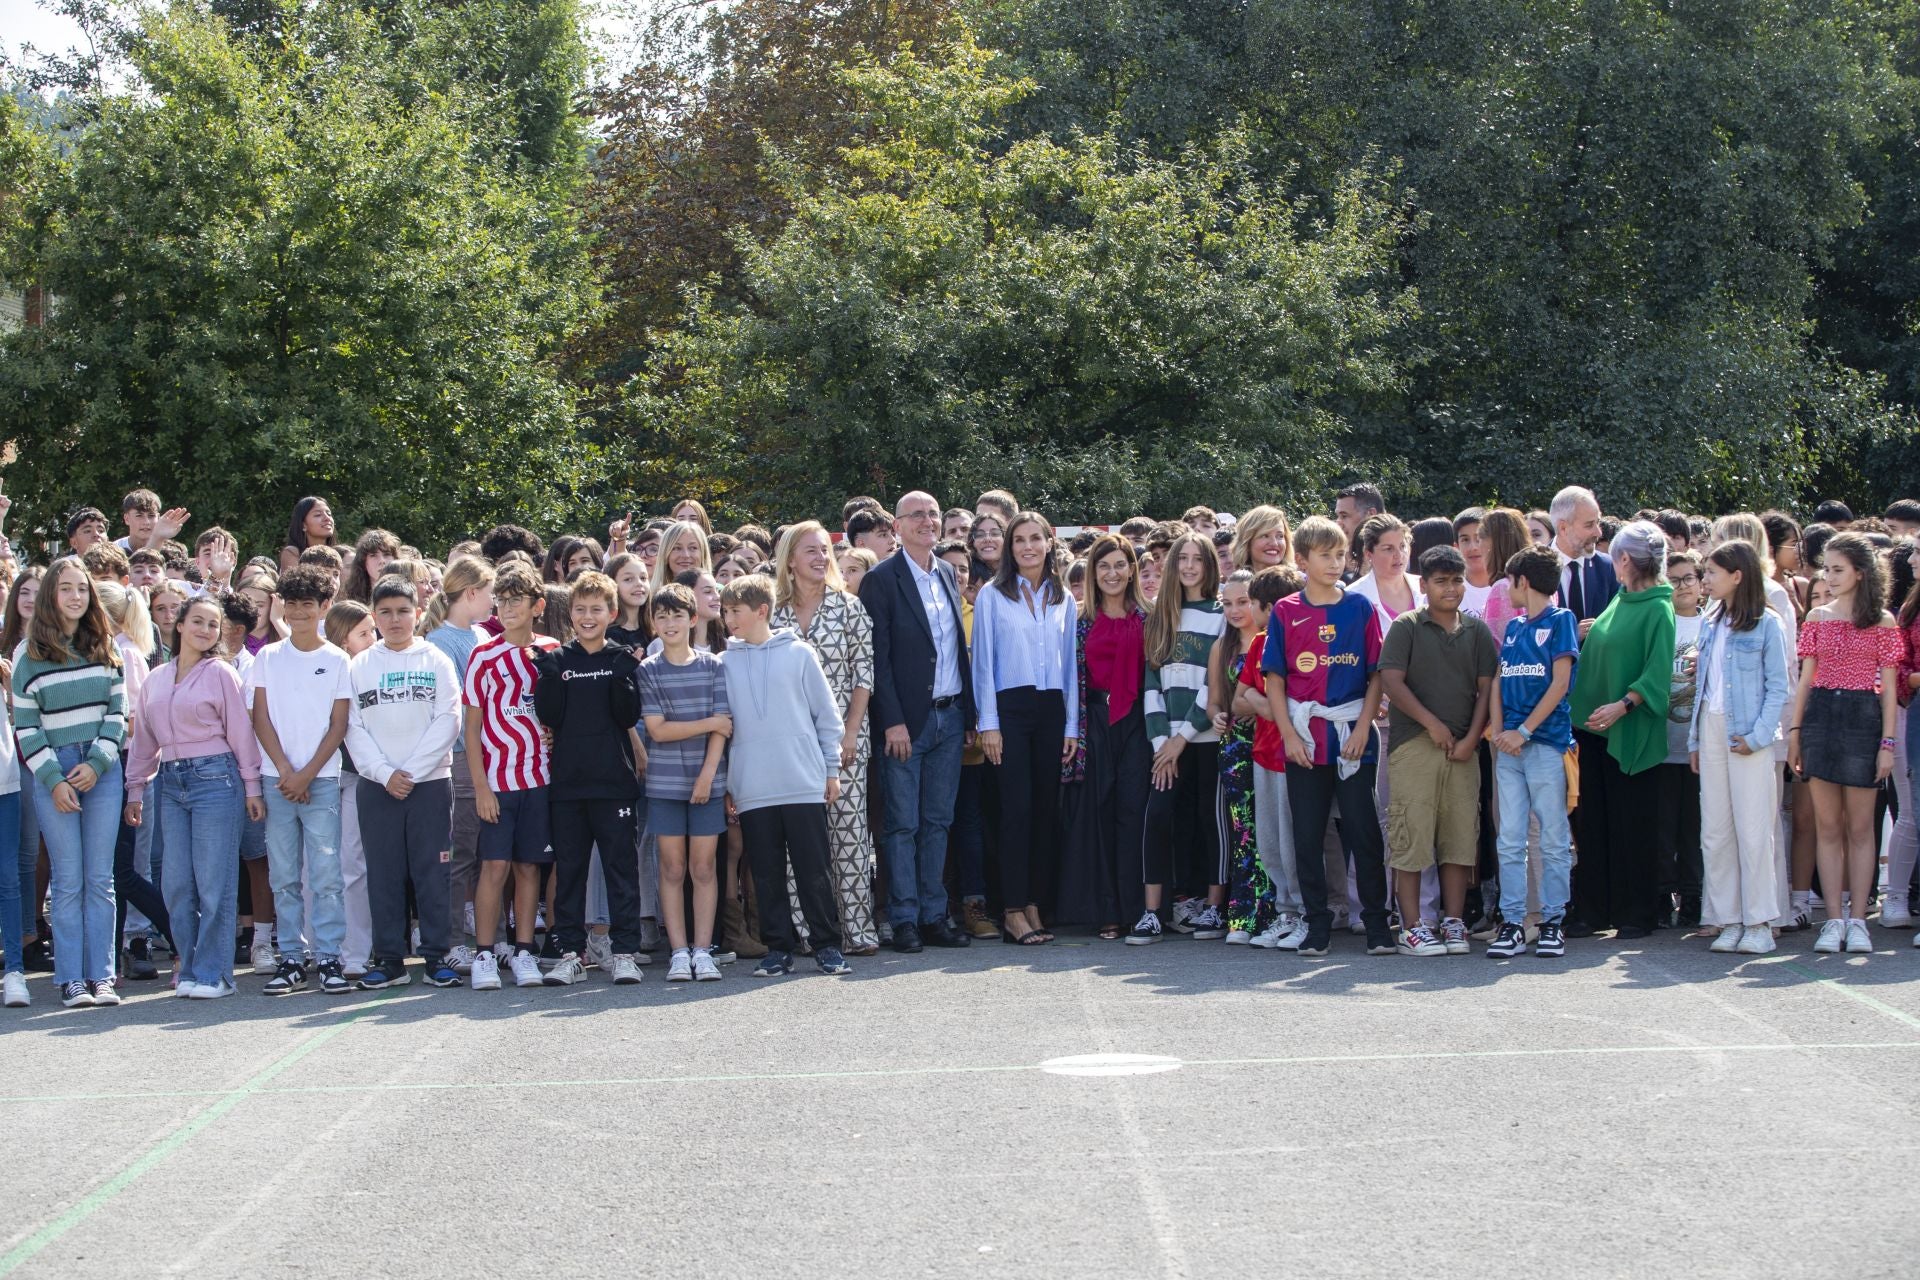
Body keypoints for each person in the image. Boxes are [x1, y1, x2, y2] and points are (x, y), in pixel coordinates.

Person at [125, 595, 265, 997]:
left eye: (213, 624)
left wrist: (251, 786)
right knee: (176, 886)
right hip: (169, 782)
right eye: (198, 622)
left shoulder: (221, 672)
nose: (206, 630)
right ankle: (189, 968)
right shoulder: (155, 678)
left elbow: (241, 732)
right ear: (180, 625)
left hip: (216, 780)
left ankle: (215, 974)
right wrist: (135, 789)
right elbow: (143, 742)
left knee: (213, 882)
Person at [1263, 517, 1391, 957]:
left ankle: (1377, 923)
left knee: (1363, 831)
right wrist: (1289, 735)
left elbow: (1376, 676)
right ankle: (1316, 923)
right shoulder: (1285, 611)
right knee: (1308, 834)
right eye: (1325, 555)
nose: (1336, 562)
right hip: (1306, 738)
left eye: (1341, 554)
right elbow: (1275, 680)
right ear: (1302, 560)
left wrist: (1361, 729)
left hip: (1352, 735)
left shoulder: (1359, 609)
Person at [856, 494, 976, 953]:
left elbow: (953, 651)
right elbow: (877, 660)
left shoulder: (947, 573)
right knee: (901, 825)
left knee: (937, 822)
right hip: (906, 723)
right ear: (897, 525)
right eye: (917, 515)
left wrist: (968, 713)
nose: (927, 522)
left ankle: (934, 915)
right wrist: (891, 722)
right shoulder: (880, 580)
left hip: (950, 717)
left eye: (933, 514)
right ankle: (903, 917)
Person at [720, 573, 851, 977]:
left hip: (802, 779)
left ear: (762, 611)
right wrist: (729, 783)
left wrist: (830, 769)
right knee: (765, 872)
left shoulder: (800, 654)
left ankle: (828, 945)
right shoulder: (723, 661)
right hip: (753, 786)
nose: (728, 619)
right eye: (724, 611)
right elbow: (724, 729)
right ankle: (778, 948)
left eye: (735, 611)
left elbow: (827, 717)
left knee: (814, 868)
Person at [14, 558, 128, 1007]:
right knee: (68, 878)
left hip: (101, 769)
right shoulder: (28, 654)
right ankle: (70, 978)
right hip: (53, 771)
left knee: (100, 878)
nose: (75, 597)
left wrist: (98, 763)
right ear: (50, 596)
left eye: (82, 589)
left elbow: (117, 714)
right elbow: (27, 727)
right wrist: (54, 779)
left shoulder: (104, 643)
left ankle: (101, 976)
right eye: (65, 589)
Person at [773, 521, 888, 953]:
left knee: (851, 837)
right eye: (811, 551)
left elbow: (865, 673)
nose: (821, 558)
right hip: (788, 744)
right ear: (789, 559)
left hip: (843, 740)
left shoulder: (848, 608)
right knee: (798, 843)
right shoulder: (775, 611)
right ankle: (809, 931)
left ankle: (858, 930)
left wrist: (852, 731)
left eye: (825, 550)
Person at [345, 578, 463, 989]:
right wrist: (384, 774)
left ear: (417, 612)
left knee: (433, 871)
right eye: (386, 612)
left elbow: (448, 720)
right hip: (376, 786)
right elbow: (352, 727)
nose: (395, 620)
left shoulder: (437, 660)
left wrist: (409, 772)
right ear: (374, 616)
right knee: (383, 873)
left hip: (428, 783)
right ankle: (390, 959)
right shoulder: (358, 666)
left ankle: (436, 956)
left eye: (403, 611)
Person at [1378, 545, 1497, 956]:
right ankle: (1412, 926)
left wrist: (1470, 739)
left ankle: (1453, 921)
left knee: (1460, 838)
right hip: (1414, 746)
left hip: (1463, 751)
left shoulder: (1478, 631)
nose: (1451, 589)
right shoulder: (1407, 626)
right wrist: (1431, 723)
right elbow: (1392, 680)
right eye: (1441, 581)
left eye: (1457, 580)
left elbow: (1486, 689)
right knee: (1410, 836)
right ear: (1424, 584)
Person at [1788, 532, 1901, 955]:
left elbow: (1888, 689)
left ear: (1860, 572)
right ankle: (1832, 919)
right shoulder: (1816, 617)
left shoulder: (1884, 621)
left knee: (1859, 828)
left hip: (1862, 721)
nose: (1829, 577)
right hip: (1820, 719)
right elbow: (1805, 679)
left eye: (1838, 570)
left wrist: (1887, 742)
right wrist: (1796, 733)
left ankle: (1858, 920)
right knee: (1828, 826)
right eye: (1826, 569)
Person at [533, 571, 648, 985]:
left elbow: (627, 716)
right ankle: (569, 952)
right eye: (580, 609)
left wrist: (621, 677)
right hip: (567, 785)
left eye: (596, 609)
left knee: (621, 870)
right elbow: (549, 717)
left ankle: (624, 952)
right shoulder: (560, 660)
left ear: (611, 613)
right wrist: (547, 678)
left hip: (614, 782)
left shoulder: (621, 657)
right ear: (570, 615)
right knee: (570, 871)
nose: (587, 616)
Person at [247, 566, 355, 995]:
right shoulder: (268, 657)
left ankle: (328, 956)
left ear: (324, 607)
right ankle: (290, 956)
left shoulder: (337, 659)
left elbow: (339, 724)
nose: (298, 612)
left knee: (326, 873)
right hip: (278, 782)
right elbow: (260, 718)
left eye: (307, 604)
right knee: (284, 875)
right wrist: (287, 773)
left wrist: (307, 773)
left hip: (322, 780)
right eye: (290, 604)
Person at [1567, 521, 1677, 939]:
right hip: (1595, 729)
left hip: (1629, 727)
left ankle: (1637, 912)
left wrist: (1624, 705)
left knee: (1632, 823)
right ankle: (1596, 911)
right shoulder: (1622, 597)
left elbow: (1657, 671)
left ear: (1626, 559)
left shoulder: (1657, 606)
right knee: (1595, 823)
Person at [974, 512, 1077, 946]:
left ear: (1049, 544)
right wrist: (989, 724)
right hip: (1009, 709)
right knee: (1014, 811)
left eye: (1036, 538)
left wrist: (1072, 724)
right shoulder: (992, 597)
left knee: (1043, 813)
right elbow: (983, 664)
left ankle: (1034, 903)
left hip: (1052, 708)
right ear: (1010, 547)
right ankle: (1013, 909)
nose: (1028, 547)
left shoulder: (1063, 597)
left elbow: (1071, 665)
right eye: (1020, 540)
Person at [462, 563, 558, 990]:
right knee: (494, 866)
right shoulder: (483, 655)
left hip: (540, 780)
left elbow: (559, 712)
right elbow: (471, 727)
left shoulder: (553, 651)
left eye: (517, 599)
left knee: (529, 867)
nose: (508, 607)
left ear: (538, 605)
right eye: (501, 600)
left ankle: (524, 951)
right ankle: (485, 953)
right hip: (497, 782)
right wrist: (481, 786)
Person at [1691, 542, 1790, 955]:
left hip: (1748, 733)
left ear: (1737, 575)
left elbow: (1778, 687)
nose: (1706, 579)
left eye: (1713, 572)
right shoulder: (1710, 622)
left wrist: (1759, 735)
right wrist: (1696, 740)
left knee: (1754, 829)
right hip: (1713, 730)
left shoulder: (1768, 623)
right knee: (1715, 830)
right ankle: (1727, 917)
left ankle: (1760, 921)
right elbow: (1703, 688)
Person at [1486, 545, 1580, 958]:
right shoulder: (1513, 628)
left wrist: (1524, 731)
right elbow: (1500, 683)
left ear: (1524, 581)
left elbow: (1559, 684)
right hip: (1509, 747)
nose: (1507, 590)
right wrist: (1499, 730)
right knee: (1509, 837)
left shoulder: (1561, 620)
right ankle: (1512, 921)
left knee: (1553, 836)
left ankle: (1552, 921)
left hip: (1544, 745)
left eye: (1510, 581)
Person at [1132, 531, 1227, 942]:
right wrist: (1162, 746)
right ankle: (1152, 911)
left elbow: (1213, 685)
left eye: (1198, 559)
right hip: (1164, 743)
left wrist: (1182, 738)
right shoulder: (1159, 616)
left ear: (1209, 566)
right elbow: (1151, 685)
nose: (1189, 566)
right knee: (1158, 818)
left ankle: (1214, 906)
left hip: (1203, 737)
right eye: (1182, 559)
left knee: (1211, 820)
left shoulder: (1222, 614)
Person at [638, 584, 731, 982]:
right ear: (653, 623)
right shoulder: (647, 670)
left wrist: (709, 775)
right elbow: (657, 731)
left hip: (708, 782)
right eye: (662, 616)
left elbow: (725, 728)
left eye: (677, 615)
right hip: (664, 785)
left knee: (704, 867)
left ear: (693, 619)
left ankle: (703, 949)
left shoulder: (714, 667)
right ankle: (678, 951)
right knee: (673, 869)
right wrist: (710, 723)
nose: (670, 622)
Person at [1061, 535, 1149, 940]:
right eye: (1103, 566)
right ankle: (1106, 909)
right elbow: (1069, 681)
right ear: (1092, 572)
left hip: (1138, 723)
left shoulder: (1150, 618)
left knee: (1132, 812)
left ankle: (1137, 908)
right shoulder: (1078, 621)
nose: (1111, 573)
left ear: (1131, 569)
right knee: (1096, 814)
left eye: (1119, 565)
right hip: (1093, 720)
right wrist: (1073, 732)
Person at [419, 557, 496, 968]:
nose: (494, 601)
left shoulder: (483, 634)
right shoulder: (438, 643)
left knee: (492, 851)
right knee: (461, 851)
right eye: (489, 592)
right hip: (464, 759)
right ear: (470, 593)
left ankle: (493, 937)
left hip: (493, 757)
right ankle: (450, 942)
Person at [1656, 551, 1705, 929]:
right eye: (1674, 579)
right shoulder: (1661, 624)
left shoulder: (1710, 626)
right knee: (1661, 825)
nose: (1683, 586)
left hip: (1696, 745)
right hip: (1661, 742)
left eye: (1690, 578)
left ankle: (1692, 895)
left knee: (1693, 828)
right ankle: (1660, 894)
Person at [1552, 486, 1617, 635]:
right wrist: (1569, 638)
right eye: (1589, 525)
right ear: (1563, 528)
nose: (1598, 532)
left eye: (1598, 522)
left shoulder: (1608, 567)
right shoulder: (1532, 568)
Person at [279, 497, 341, 574]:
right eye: (318, 515)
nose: (327, 518)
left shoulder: (339, 554)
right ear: (303, 525)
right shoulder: (292, 553)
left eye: (329, 514)